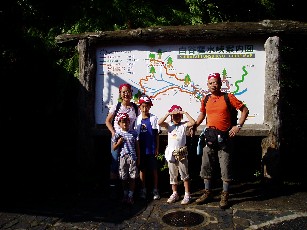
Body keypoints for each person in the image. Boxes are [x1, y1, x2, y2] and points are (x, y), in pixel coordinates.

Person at [190, 72, 249, 209]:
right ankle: (207, 192)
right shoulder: (206, 99)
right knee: (206, 166)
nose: (213, 85)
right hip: (210, 137)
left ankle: (225, 194)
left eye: (215, 82)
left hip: (225, 139)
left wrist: (238, 126)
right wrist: (195, 125)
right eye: (210, 83)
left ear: (220, 83)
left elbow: (244, 110)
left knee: (225, 166)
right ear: (207, 85)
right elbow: (202, 114)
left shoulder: (228, 97)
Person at [105, 83, 139, 198]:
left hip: (129, 139)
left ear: (131, 93)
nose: (126, 94)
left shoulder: (135, 107)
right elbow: (108, 121)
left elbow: (138, 122)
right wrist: (114, 132)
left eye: (128, 91)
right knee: (115, 164)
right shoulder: (117, 106)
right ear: (120, 94)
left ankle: (128, 191)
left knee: (129, 164)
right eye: (123, 92)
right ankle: (114, 190)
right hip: (117, 138)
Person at [158, 105, 195, 205]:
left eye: (178, 115)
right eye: (174, 116)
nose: (176, 117)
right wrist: (168, 113)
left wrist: (184, 112)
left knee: (184, 174)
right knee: (173, 175)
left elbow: (193, 122)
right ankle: (175, 193)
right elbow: (159, 123)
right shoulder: (169, 125)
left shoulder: (183, 125)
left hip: (181, 153)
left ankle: (187, 194)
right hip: (171, 154)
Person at [135, 95, 160, 200]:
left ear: (150, 107)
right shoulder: (137, 120)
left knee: (154, 169)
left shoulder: (153, 118)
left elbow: (157, 134)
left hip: (152, 148)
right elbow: (137, 138)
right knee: (142, 170)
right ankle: (143, 188)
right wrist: (138, 152)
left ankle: (155, 189)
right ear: (140, 107)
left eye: (147, 106)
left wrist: (157, 148)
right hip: (142, 149)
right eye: (143, 106)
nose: (145, 109)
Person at [112, 112, 140, 204]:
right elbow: (114, 147)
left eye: (126, 122)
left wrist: (138, 158)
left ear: (129, 122)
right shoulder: (118, 134)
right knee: (123, 177)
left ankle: (130, 195)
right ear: (119, 123)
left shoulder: (133, 133)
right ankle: (125, 193)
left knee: (132, 177)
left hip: (132, 157)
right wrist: (119, 143)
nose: (125, 124)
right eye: (122, 122)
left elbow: (137, 146)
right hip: (123, 157)